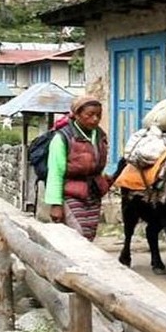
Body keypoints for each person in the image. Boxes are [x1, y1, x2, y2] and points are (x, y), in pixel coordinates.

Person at [44, 95, 111, 241]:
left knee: (89, 235)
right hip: (70, 194)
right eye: (89, 115)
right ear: (77, 115)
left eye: (98, 115)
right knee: (78, 235)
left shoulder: (99, 136)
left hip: (93, 194)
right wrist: (56, 204)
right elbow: (55, 172)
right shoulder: (62, 138)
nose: (95, 119)